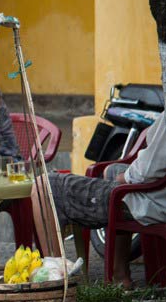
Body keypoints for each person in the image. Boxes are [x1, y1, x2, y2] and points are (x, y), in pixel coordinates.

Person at [33, 111, 166, 288]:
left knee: (45, 185)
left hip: (151, 201)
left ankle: (56, 279)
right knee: (112, 170)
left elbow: (149, 169)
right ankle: (120, 276)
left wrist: (124, 178)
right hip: (156, 197)